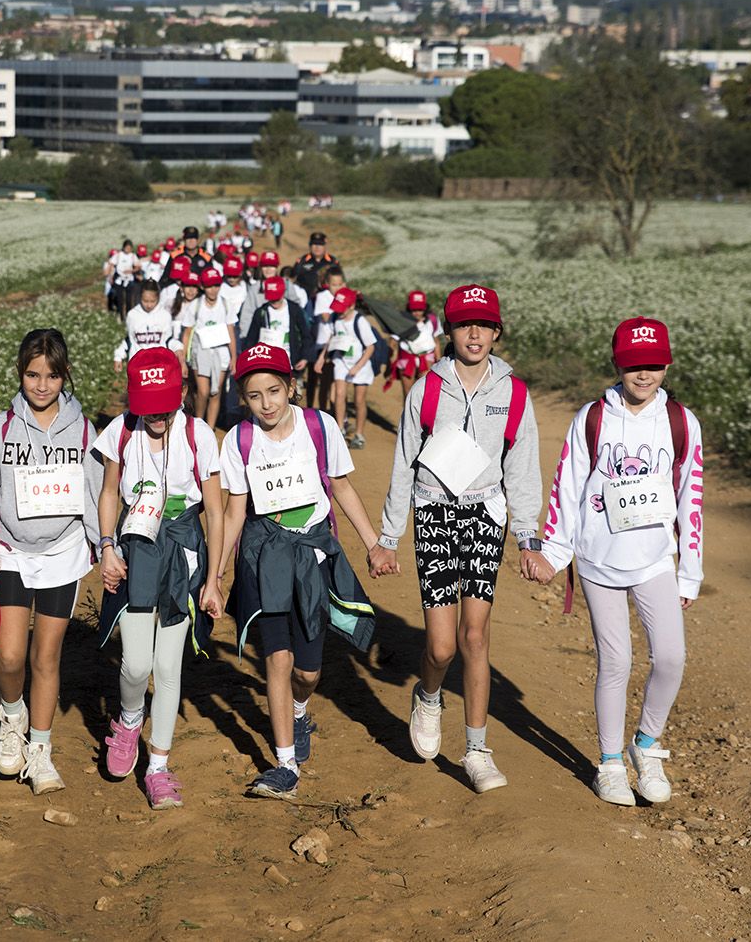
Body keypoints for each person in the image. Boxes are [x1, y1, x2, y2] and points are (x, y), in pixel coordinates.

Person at [367, 284, 546, 793]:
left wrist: (528, 538)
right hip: (434, 513)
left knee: (475, 637)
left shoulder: (513, 392)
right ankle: (428, 695)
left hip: (485, 516)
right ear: (450, 330)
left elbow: (523, 466)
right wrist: (387, 536)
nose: (475, 334)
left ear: (496, 332)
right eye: (466, 324)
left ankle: (476, 749)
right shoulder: (426, 389)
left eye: (484, 325)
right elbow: (403, 462)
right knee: (442, 648)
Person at [537, 317, 703, 808]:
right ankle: (610, 763)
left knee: (671, 657)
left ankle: (645, 747)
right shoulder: (592, 417)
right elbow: (567, 484)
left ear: (667, 364)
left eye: (653, 365)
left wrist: (690, 568)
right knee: (617, 662)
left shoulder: (680, 421)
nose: (644, 374)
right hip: (598, 559)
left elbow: (691, 495)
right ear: (618, 364)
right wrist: (554, 551)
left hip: (655, 559)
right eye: (634, 365)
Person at [212, 344, 385, 800]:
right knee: (277, 658)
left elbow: (341, 487)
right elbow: (234, 510)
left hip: (312, 553)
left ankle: (302, 709)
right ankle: (285, 764)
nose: (266, 403)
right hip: (263, 553)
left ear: (291, 386)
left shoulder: (319, 427)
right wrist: (216, 575)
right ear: (242, 399)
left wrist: (374, 543)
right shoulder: (238, 440)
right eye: (254, 395)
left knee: (306, 670)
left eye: (274, 390)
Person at [0, 329, 104, 796]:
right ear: (20, 374)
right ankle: (11, 714)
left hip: (63, 555)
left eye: (51, 375)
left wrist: (105, 548)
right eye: (31, 374)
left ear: (65, 376)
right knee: (9, 655)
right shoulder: (1, 429)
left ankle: (40, 751)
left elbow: (95, 496)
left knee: (46, 656)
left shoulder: (85, 431)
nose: (41, 385)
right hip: (12, 553)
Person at [92, 348, 225, 809]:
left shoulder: (197, 432)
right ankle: (130, 719)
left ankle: (159, 767)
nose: (157, 416)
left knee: (168, 667)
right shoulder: (122, 430)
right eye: (147, 406)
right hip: (133, 549)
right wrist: (106, 547)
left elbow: (216, 509)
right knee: (135, 664)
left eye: (166, 405)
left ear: (183, 394)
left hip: (183, 550)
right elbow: (110, 492)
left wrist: (214, 577)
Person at [314, 287, 376, 448]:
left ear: (351, 306)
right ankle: (340, 429)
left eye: (342, 309)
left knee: (358, 400)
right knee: (339, 395)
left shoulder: (360, 321)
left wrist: (357, 367)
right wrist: (321, 358)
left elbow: (370, 347)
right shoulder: (336, 318)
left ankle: (359, 434)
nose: (339, 312)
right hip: (341, 360)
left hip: (360, 365)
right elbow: (332, 338)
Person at [182, 266, 238, 428]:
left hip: (222, 353)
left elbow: (230, 333)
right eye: (208, 286)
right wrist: (183, 360)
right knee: (203, 392)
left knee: (215, 392)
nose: (212, 290)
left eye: (216, 285)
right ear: (202, 287)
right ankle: (199, 424)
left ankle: (210, 428)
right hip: (201, 353)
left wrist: (234, 357)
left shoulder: (226, 305)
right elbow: (187, 333)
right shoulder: (196, 306)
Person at [243, 275, 309, 370]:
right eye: (271, 298)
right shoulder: (261, 312)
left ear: (283, 293)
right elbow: (251, 340)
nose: (274, 302)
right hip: (267, 364)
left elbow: (306, 335)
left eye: (277, 298)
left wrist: (305, 357)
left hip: (291, 364)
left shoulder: (295, 310)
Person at [387, 290, 443, 396]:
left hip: (427, 358)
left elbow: (436, 341)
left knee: (424, 394)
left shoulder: (432, 320)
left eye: (420, 309)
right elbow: (392, 343)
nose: (417, 312)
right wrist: (389, 364)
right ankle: (408, 413)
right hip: (406, 358)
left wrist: (439, 361)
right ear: (409, 308)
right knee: (408, 395)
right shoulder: (401, 321)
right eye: (414, 309)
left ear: (425, 308)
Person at [114, 281, 179, 371]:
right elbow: (130, 339)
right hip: (138, 365)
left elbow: (168, 340)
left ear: (158, 298)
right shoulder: (132, 315)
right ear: (140, 297)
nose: (149, 305)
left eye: (152, 301)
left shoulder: (165, 315)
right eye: (145, 301)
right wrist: (118, 356)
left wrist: (179, 349)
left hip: (159, 365)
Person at [307, 265, 345, 412]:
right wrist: (343, 304)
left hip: (339, 344)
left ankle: (339, 413)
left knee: (338, 382)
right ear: (327, 284)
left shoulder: (343, 297)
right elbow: (326, 316)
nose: (337, 288)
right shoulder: (323, 297)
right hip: (323, 345)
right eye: (334, 284)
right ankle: (323, 410)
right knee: (324, 383)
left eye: (340, 284)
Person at [294, 231, 336, 301]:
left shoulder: (332, 262)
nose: (317, 247)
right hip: (306, 300)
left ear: (325, 246)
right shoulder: (302, 261)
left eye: (320, 244)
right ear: (310, 245)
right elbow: (293, 279)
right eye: (314, 244)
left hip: (327, 301)